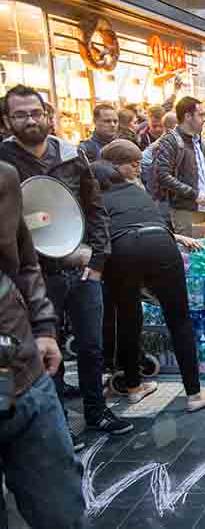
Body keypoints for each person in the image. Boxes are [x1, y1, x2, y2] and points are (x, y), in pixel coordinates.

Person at [0, 85, 131, 440]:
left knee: (91, 346)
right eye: (20, 115)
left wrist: (99, 260)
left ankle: (96, 411)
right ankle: (58, 426)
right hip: (37, 276)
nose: (30, 120)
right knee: (48, 348)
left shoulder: (72, 155)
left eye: (35, 113)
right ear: (7, 120)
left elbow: (95, 208)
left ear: (47, 114)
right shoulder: (4, 163)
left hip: (81, 267)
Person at [92, 141, 205, 411]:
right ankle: (194, 395)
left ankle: (133, 387)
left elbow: (100, 235)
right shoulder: (135, 190)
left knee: (128, 318)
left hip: (123, 250)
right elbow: (151, 224)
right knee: (179, 320)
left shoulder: (95, 198)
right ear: (117, 170)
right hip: (161, 244)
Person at [0, 160, 85, 527]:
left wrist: (44, 327)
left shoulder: (4, 177)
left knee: (62, 511)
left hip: (26, 377)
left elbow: (24, 260)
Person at [153, 97, 205, 235]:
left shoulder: (197, 139)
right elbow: (162, 175)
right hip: (185, 210)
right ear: (188, 116)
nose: (203, 119)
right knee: (192, 254)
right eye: (200, 115)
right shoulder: (170, 140)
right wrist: (194, 194)